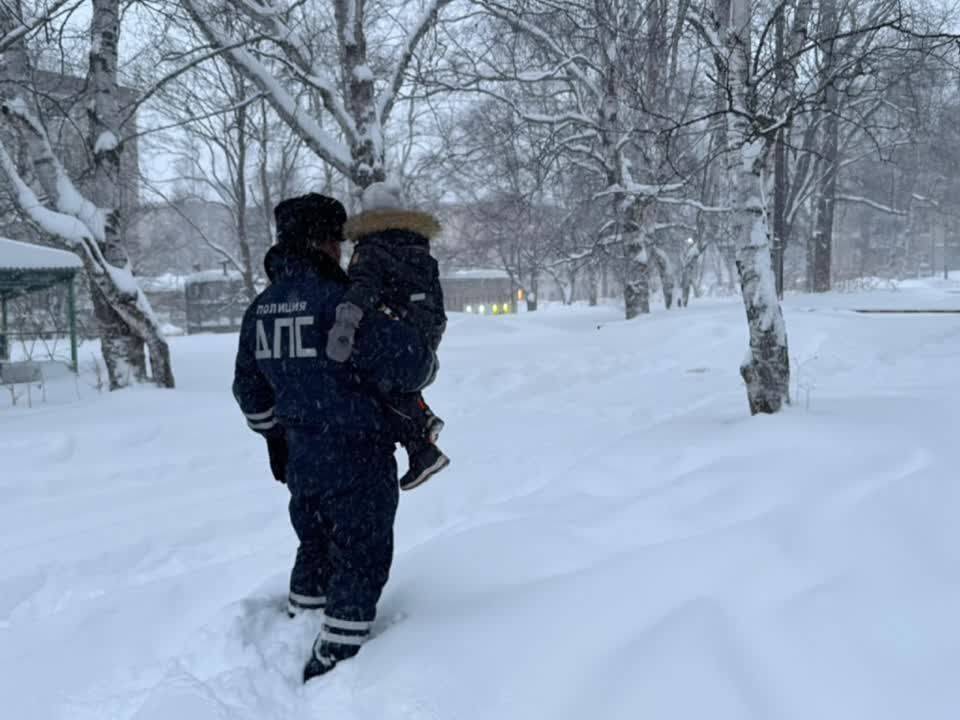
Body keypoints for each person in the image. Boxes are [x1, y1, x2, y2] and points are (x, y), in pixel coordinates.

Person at [231, 193, 438, 683]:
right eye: (339, 243)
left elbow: (249, 391)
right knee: (360, 556)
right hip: (357, 455)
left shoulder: (260, 309)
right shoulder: (341, 304)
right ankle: (332, 668)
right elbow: (412, 368)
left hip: (301, 459)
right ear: (325, 243)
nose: (343, 253)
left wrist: (277, 437)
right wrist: (418, 338)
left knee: (316, 544)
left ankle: (301, 624)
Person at [325, 180, 450, 490]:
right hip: (420, 344)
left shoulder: (370, 251)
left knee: (366, 378)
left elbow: (360, 291)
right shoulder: (421, 251)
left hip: (394, 342)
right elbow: (437, 310)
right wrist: (425, 343)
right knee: (391, 376)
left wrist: (344, 327)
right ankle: (421, 417)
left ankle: (420, 443)